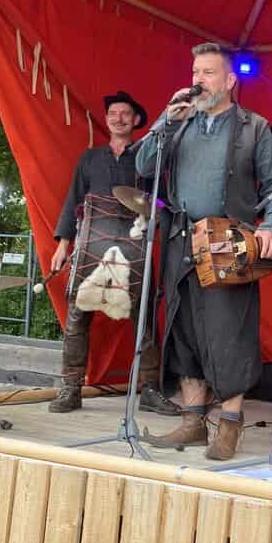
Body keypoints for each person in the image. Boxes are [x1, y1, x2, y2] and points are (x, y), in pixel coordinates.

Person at [134, 43, 272, 460]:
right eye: (195, 72)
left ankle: (230, 426)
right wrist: (164, 121)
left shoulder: (254, 127)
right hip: (181, 239)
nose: (198, 80)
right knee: (183, 332)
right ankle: (192, 422)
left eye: (208, 73)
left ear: (231, 81)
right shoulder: (179, 123)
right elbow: (144, 166)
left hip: (227, 241)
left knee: (227, 334)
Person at [50, 90, 179, 416]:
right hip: (92, 246)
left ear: (136, 120)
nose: (118, 118)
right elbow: (72, 201)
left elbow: (163, 205)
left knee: (144, 321)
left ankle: (150, 389)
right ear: (107, 120)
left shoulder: (148, 159)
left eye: (125, 114)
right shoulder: (89, 159)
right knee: (78, 317)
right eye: (113, 114)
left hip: (134, 247)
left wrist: (153, 215)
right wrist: (63, 244)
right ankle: (71, 388)